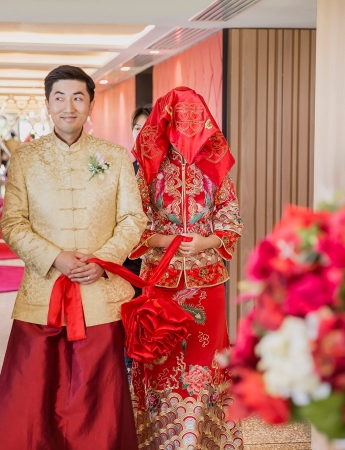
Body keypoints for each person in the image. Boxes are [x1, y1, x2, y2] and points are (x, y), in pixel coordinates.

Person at [0, 65, 147, 450]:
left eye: (77, 97)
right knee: (32, 396)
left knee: (97, 397)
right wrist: (55, 257)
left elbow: (133, 219)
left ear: (91, 104)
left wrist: (103, 260)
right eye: (59, 98)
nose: (68, 107)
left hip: (100, 296)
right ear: (47, 104)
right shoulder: (25, 159)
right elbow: (13, 223)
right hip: (42, 295)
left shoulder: (115, 157)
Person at [129, 87, 244, 449]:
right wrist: (169, 240)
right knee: (160, 363)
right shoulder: (149, 171)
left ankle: (200, 440)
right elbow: (133, 225)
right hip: (160, 282)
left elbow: (231, 219)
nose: (187, 128)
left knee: (205, 365)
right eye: (180, 120)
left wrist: (206, 242)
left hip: (206, 281)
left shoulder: (216, 169)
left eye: (194, 120)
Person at [123, 104, 153, 383]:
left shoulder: (169, 172)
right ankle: (129, 365)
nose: (142, 133)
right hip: (129, 254)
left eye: (148, 127)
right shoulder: (124, 169)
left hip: (159, 255)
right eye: (136, 128)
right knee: (129, 312)